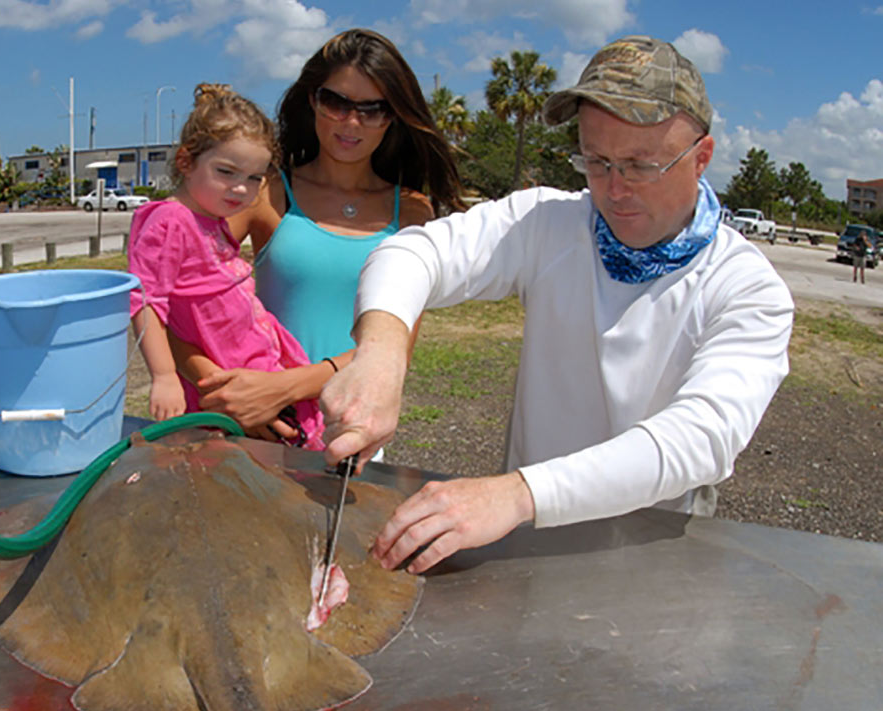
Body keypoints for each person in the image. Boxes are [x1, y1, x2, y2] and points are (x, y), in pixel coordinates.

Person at [321, 36, 795, 574]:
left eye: (640, 165)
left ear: (701, 157)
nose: (613, 189)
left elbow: (701, 437)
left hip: (651, 553)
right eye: (595, 161)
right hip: (525, 545)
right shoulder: (550, 223)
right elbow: (412, 252)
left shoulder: (747, 287)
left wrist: (519, 494)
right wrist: (382, 355)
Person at [169, 29, 464, 443]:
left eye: (373, 109)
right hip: (256, 429)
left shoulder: (412, 211)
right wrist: (230, 395)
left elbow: (396, 348)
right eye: (336, 102)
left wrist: (281, 389)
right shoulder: (265, 194)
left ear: (393, 116)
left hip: (351, 432)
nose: (351, 121)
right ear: (313, 100)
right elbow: (173, 304)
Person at [128, 84, 324, 448]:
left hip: (258, 367)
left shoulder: (214, 218)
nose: (240, 189)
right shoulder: (170, 220)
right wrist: (164, 374)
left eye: (253, 178)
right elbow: (144, 300)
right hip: (226, 379)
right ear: (186, 162)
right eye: (226, 172)